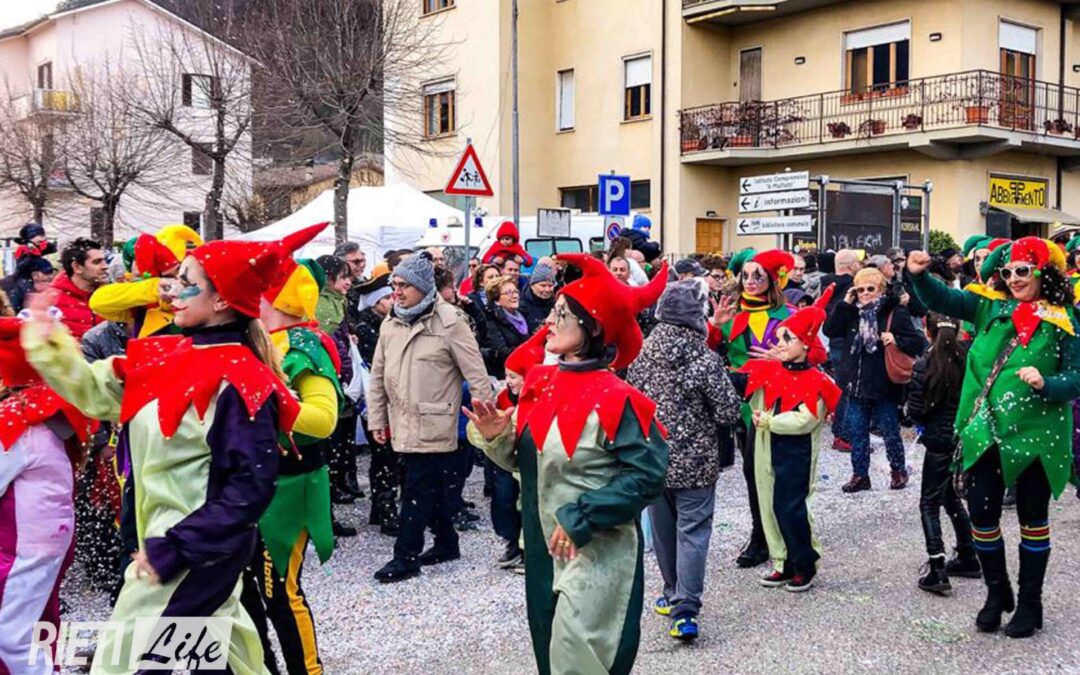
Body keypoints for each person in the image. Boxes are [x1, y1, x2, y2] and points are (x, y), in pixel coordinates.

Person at [23, 236, 301, 674]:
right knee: (205, 660)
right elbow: (95, 391)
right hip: (166, 548)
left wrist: (175, 548)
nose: (171, 289)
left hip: (190, 558)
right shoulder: (167, 354)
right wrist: (46, 341)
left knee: (132, 663)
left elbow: (249, 488)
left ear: (223, 299)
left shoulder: (244, 382)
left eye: (186, 282)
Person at [465, 253, 668, 675]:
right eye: (553, 310)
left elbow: (647, 476)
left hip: (597, 550)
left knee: (580, 658)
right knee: (549, 651)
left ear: (593, 327)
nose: (549, 321)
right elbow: (525, 463)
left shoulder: (621, 399)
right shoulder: (540, 384)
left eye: (562, 313)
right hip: (541, 548)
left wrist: (583, 515)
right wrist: (496, 435)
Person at [908, 238, 1080, 638]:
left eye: (1023, 270)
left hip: (1039, 433)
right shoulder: (987, 306)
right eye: (1007, 272)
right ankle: (996, 592)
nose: (1013, 278)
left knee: (1032, 519)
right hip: (985, 429)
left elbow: (1077, 377)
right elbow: (944, 298)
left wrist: (1049, 383)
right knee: (983, 516)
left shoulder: (1066, 319)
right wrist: (917, 275)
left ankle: (1031, 602)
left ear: (1042, 273)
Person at [245, 224, 342, 675]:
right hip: (253, 483)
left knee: (280, 590)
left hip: (291, 484)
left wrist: (268, 404)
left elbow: (323, 421)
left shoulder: (303, 346)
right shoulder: (253, 340)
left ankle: (308, 671)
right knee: (247, 590)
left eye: (259, 292)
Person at [368, 253, 492, 583]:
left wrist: (487, 418)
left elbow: (475, 373)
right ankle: (447, 542)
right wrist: (377, 418)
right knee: (430, 486)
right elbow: (378, 375)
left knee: (416, 488)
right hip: (401, 419)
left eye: (404, 285)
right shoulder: (390, 322)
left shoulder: (451, 321)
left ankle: (405, 556)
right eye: (394, 284)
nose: (397, 291)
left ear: (423, 288)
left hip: (437, 420)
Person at [628, 279, 740, 641]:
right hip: (696, 461)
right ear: (697, 316)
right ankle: (686, 609)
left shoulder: (642, 356)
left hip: (653, 458)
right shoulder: (703, 357)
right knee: (693, 533)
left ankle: (670, 592)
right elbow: (727, 411)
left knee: (662, 531)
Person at [707, 248, 822, 569]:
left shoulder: (789, 315)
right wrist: (715, 327)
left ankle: (790, 541)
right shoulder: (731, 314)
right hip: (747, 407)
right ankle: (760, 537)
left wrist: (785, 358)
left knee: (784, 476)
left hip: (785, 403)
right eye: (746, 275)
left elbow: (817, 354)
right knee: (753, 474)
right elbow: (707, 353)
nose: (751, 281)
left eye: (758, 275)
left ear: (772, 279)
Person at [0, 317, 97, 675]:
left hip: (22, 546)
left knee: (10, 636)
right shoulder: (52, 409)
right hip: (48, 538)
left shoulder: (17, 419)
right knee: (41, 622)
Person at [736, 288, 840, 592]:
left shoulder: (818, 381)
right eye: (779, 338)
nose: (777, 344)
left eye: (786, 339)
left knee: (790, 508)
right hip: (766, 447)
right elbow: (748, 388)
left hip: (796, 452)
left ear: (806, 344)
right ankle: (781, 561)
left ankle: (803, 564)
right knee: (768, 505)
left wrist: (769, 421)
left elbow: (806, 420)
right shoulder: (770, 371)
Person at [823, 267, 925, 492]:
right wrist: (845, 304)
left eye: (871, 289)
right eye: (861, 289)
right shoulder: (852, 311)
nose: (866, 293)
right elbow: (830, 330)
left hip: (883, 382)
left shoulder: (894, 312)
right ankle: (860, 475)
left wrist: (895, 339)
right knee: (858, 433)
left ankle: (898, 470)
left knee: (889, 430)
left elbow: (918, 343)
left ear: (881, 290)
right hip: (856, 382)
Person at [905, 312, 981, 595]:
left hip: (937, 439)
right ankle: (968, 553)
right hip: (959, 437)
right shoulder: (967, 358)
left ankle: (937, 567)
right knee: (949, 496)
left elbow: (915, 409)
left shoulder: (926, 363)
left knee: (929, 502)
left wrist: (915, 415)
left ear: (927, 331)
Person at [351, 273, 401, 536]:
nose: (392, 301)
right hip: (376, 398)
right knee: (384, 455)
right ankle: (386, 508)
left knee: (386, 456)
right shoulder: (368, 329)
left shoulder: (384, 323)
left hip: (383, 396)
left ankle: (380, 507)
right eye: (387, 297)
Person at [90, 225, 203, 338]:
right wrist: (156, 287)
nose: (176, 280)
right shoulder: (145, 301)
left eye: (182, 272)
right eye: (166, 275)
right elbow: (98, 302)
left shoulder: (203, 298)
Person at [819, 249, 862, 451]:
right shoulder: (851, 288)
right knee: (847, 389)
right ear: (851, 265)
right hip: (847, 340)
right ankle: (842, 434)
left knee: (842, 387)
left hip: (834, 340)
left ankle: (845, 432)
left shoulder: (826, 284)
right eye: (858, 263)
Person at [52, 237, 108, 340]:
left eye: (105, 260)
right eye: (97, 262)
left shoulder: (110, 296)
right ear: (77, 267)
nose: (105, 266)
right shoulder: (52, 302)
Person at [481, 276, 530, 379]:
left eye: (516, 292)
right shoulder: (491, 319)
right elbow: (502, 351)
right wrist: (529, 352)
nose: (515, 296)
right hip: (504, 375)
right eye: (508, 293)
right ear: (497, 300)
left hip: (524, 371)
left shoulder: (523, 314)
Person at [520, 262, 557, 333]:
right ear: (532, 285)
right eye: (543, 285)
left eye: (550, 286)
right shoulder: (521, 306)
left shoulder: (556, 304)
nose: (547, 290)